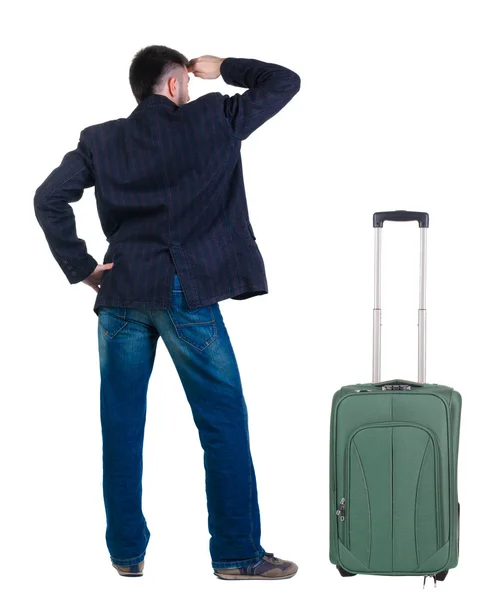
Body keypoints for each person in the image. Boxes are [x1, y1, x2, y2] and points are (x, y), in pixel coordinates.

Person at [33, 45, 301, 580]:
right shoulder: (214, 117)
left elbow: (48, 198)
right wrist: (222, 67)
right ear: (177, 84)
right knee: (222, 422)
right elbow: (283, 81)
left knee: (122, 425)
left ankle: (126, 554)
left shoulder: (100, 139)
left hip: (121, 293)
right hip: (185, 293)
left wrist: (83, 266)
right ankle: (237, 555)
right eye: (189, 82)